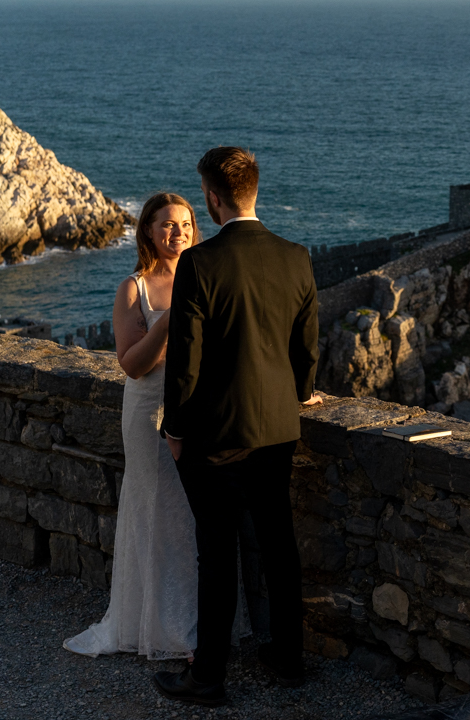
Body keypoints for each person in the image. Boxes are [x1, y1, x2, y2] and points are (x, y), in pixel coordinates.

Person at [152, 147, 321, 707]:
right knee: (278, 545)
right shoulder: (296, 256)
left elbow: (186, 363)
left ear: (212, 198)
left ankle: (209, 678)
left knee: (217, 552)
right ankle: (289, 658)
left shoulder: (201, 264)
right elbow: (306, 348)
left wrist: (175, 429)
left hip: (214, 433)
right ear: (254, 191)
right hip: (277, 426)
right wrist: (299, 393)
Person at [63, 193, 201, 660]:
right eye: (166, 224)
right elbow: (132, 364)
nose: (177, 232)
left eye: (185, 223)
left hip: (200, 413)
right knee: (159, 514)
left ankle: (195, 622)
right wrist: (170, 320)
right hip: (150, 415)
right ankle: (163, 632)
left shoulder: (205, 277)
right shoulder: (133, 288)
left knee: (196, 518)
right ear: (147, 231)